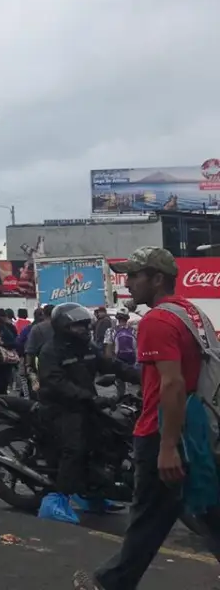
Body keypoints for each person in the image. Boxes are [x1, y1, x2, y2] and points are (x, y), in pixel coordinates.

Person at [77, 248, 220, 589]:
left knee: (149, 516)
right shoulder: (192, 312)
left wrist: (167, 446)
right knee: (206, 509)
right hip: (197, 428)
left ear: (157, 279)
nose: (127, 282)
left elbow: (172, 383)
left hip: (163, 430)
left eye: (134, 275)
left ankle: (110, 582)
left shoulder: (156, 320)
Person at [36, 302, 140, 525]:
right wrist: (89, 397)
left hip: (86, 403)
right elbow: (57, 383)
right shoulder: (50, 351)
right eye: (78, 326)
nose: (84, 330)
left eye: (85, 326)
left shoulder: (87, 347)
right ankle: (57, 500)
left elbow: (110, 364)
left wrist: (143, 376)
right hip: (60, 407)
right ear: (63, 327)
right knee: (75, 448)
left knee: (104, 442)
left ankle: (95, 493)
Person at [103, 309, 138, 397]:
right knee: (134, 383)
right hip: (132, 361)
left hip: (119, 361)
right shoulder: (134, 331)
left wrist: (109, 362)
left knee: (120, 384)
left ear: (117, 318)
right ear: (127, 318)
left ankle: (121, 400)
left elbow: (108, 349)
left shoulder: (111, 331)